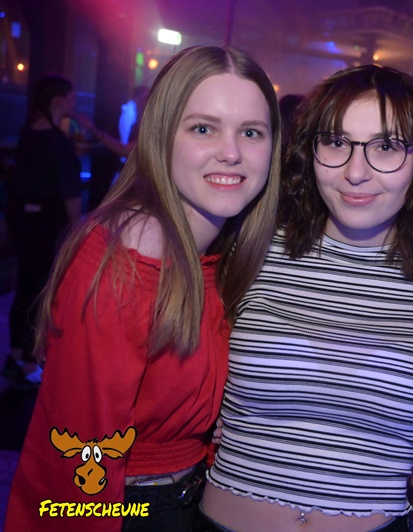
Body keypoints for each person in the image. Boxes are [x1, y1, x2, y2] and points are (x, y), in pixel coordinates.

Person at [5, 45, 281, 532]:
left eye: (251, 132)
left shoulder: (222, 255)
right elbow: (78, 456)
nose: (232, 152)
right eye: (203, 128)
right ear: (160, 136)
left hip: (194, 499)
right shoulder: (128, 257)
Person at [199, 64, 413, 532]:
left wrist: (390, 462)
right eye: (336, 143)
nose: (355, 172)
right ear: (310, 151)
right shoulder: (253, 250)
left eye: (386, 147)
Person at [4, 74, 82, 388]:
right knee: (41, 290)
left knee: (26, 286)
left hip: (25, 220)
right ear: (59, 100)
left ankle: (16, 355)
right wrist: (77, 231)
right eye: (71, 96)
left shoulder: (28, 134)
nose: (75, 101)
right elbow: (70, 195)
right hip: (48, 224)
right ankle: (28, 361)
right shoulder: (57, 142)